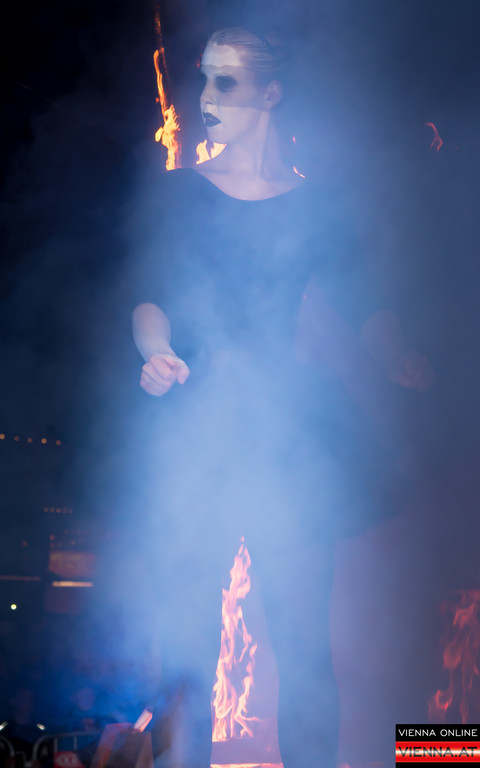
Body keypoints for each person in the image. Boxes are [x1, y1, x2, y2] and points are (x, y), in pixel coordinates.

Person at [131, 27, 433, 768]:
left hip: (288, 438)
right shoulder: (182, 193)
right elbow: (149, 301)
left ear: (271, 93)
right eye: (205, 79)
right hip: (202, 427)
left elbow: (365, 306)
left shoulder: (314, 204)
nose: (207, 97)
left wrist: (398, 356)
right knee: (186, 649)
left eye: (227, 82)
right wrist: (156, 352)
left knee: (304, 650)